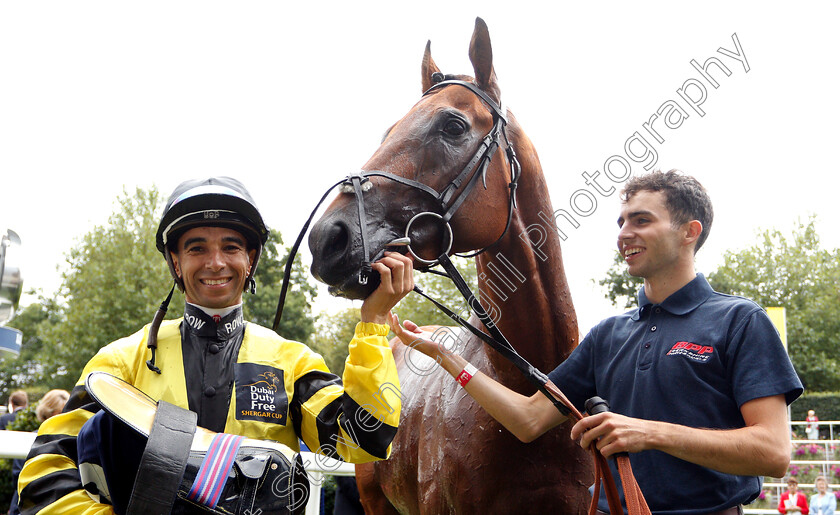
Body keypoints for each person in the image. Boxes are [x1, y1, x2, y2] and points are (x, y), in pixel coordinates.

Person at [392, 170, 803, 514]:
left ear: (689, 232)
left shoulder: (740, 321)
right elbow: (528, 420)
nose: (624, 234)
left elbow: (772, 452)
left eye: (641, 220)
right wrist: (444, 357)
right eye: (621, 222)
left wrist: (650, 433)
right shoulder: (609, 334)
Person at [18, 177, 414, 514]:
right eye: (196, 248)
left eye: (230, 246)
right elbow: (46, 469)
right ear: (175, 262)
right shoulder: (120, 360)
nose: (215, 262)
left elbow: (365, 438)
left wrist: (374, 322)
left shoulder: (291, 361)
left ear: (250, 259)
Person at [8, 390, 69, 515]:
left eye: (66, 414)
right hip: (27, 506)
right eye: (58, 413)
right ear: (46, 413)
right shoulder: (31, 439)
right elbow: (17, 476)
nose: (62, 418)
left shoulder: (72, 441)